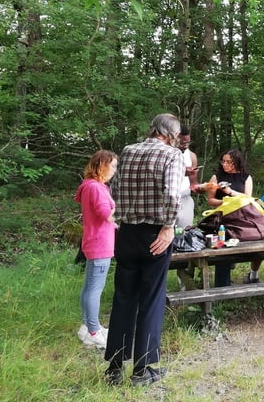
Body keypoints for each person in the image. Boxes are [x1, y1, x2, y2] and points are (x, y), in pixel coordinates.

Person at [104, 113, 184, 387]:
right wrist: (168, 227)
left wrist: (123, 216)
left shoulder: (127, 151)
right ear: (170, 134)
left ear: (152, 129)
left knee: (123, 298)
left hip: (126, 233)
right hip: (154, 235)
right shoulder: (172, 155)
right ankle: (142, 371)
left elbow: (113, 188)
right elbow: (172, 195)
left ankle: (114, 368)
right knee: (151, 299)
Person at [75, 150, 118, 350]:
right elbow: (106, 215)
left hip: (93, 241)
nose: (114, 170)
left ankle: (88, 326)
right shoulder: (96, 188)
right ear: (102, 165)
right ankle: (93, 332)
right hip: (100, 244)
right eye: (113, 166)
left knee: (88, 286)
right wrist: (125, 207)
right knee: (95, 289)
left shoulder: (90, 185)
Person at [198, 149, 253, 286]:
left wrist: (230, 193)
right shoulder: (216, 177)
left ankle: (242, 273)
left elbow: (248, 199)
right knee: (222, 250)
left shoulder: (246, 177)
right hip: (221, 219)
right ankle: (221, 285)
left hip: (240, 219)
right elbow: (210, 200)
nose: (225, 164)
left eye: (229, 162)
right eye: (223, 161)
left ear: (237, 162)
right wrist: (225, 202)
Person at [175, 123, 199, 229]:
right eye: (182, 142)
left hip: (185, 199)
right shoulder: (163, 154)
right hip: (165, 201)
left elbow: (193, 184)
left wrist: (205, 187)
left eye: (188, 142)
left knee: (184, 233)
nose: (185, 145)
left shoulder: (191, 156)